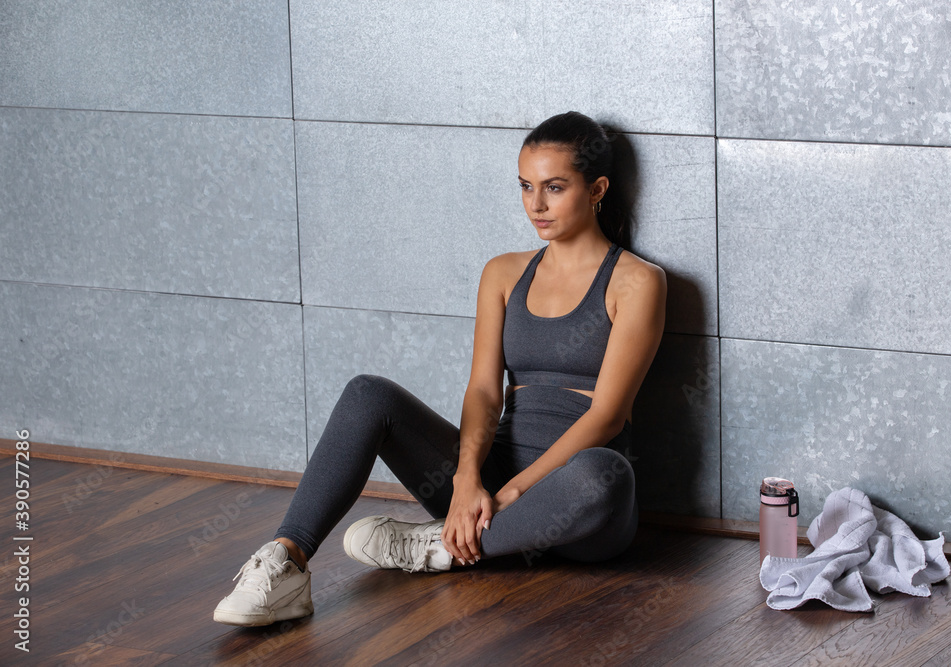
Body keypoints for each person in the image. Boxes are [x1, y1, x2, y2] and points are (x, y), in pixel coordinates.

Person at [213, 111, 667, 627]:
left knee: (605, 474)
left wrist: (513, 493)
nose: (535, 205)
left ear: (597, 188)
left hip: (574, 501)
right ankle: (287, 560)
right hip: (486, 484)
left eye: (554, 187)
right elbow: (482, 391)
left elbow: (606, 415)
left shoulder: (637, 282)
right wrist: (470, 480)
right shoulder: (503, 272)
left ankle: (437, 546)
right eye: (525, 187)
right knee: (368, 394)